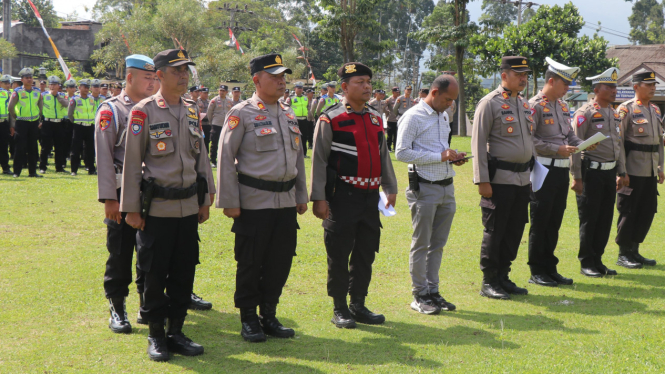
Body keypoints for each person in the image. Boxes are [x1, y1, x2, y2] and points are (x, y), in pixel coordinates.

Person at [121, 48, 212, 361]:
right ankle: (157, 335)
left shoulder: (190, 110)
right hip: (157, 209)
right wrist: (130, 208)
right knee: (156, 273)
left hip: (188, 206)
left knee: (184, 272)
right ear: (158, 75)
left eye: (186, 70)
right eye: (177, 71)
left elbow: (202, 158)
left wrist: (206, 197)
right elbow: (132, 164)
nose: (184, 76)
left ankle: (177, 331)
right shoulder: (144, 112)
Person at [216, 53, 308, 342]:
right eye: (275, 77)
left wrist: (302, 195)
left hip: (285, 204)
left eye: (284, 77)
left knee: (280, 261)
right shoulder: (241, 113)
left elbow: (299, 160)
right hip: (254, 203)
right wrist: (229, 201)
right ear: (256, 80)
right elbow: (225, 158)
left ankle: (268, 314)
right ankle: (248, 318)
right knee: (250, 262)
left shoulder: (288, 113)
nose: (282, 82)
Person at [310, 62, 397, 328]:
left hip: (370, 197)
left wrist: (390, 187)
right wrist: (319, 198)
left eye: (368, 82)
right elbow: (319, 160)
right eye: (360, 82)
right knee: (338, 253)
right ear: (345, 88)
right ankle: (339, 307)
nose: (367, 87)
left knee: (365, 252)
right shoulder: (331, 118)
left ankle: (358, 303)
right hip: (343, 195)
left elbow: (383, 155)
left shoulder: (373, 118)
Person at [396, 75, 467, 315]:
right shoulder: (412, 116)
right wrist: (440, 157)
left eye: (453, 100)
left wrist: (453, 157)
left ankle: (433, 292)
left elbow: (439, 149)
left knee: (437, 244)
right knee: (421, 243)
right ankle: (419, 294)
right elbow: (402, 152)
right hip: (424, 187)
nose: (450, 104)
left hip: (447, 186)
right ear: (434, 93)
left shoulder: (443, 115)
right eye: (448, 99)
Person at [95, 55, 156, 333]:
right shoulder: (112, 110)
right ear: (130, 78)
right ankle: (117, 307)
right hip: (121, 191)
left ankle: (148, 304)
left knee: (150, 250)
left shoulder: (153, 108)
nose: (152, 82)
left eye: (154, 77)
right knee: (120, 251)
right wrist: (109, 197)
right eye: (147, 77)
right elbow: (104, 156)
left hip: (151, 191)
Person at [471, 56, 537, 300]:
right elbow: (478, 143)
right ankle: (489, 281)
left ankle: (503, 276)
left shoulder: (524, 104)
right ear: (503, 76)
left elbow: (529, 142)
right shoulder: (489, 103)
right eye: (519, 74)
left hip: (522, 179)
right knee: (495, 230)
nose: (523, 79)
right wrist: (482, 180)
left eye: (526, 75)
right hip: (498, 181)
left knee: (515, 230)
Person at [527, 58, 590, 287]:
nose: (568, 88)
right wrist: (558, 149)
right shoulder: (534, 105)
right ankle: (536, 270)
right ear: (551, 81)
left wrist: (582, 143)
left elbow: (568, 136)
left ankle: (550, 267)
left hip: (561, 170)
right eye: (565, 84)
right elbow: (531, 140)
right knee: (541, 220)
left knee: (555, 220)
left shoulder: (563, 106)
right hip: (542, 169)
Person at [571, 67, 625, 277]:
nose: (614, 90)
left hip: (610, 174)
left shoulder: (614, 113)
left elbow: (618, 145)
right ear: (597, 89)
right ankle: (586, 262)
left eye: (615, 86)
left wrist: (622, 171)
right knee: (589, 218)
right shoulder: (585, 113)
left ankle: (598, 260)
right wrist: (576, 176)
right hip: (591, 173)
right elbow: (576, 147)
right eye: (609, 87)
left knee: (605, 218)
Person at [614, 71, 664, 268]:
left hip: (650, 170)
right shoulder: (625, 109)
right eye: (648, 84)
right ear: (636, 86)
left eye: (654, 84)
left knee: (647, 210)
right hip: (631, 171)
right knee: (629, 210)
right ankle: (623, 253)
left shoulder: (655, 110)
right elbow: (618, 143)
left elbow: (659, 142)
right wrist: (621, 171)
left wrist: (660, 167)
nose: (653, 88)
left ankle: (634, 251)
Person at [8, 68, 43, 178]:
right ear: (22, 79)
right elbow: (10, 107)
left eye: (30, 78)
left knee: (33, 147)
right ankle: (16, 172)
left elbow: (40, 107)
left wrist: (39, 119)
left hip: (33, 123)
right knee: (20, 147)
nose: (29, 80)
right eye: (26, 78)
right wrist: (17, 117)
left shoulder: (37, 92)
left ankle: (32, 172)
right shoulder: (17, 92)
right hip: (21, 122)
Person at [39, 76, 69, 174]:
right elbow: (39, 108)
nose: (52, 86)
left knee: (59, 146)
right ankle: (42, 166)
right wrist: (39, 121)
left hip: (59, 123)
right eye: (51, 84)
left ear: (58, 85)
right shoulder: (43, 95)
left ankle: (59, 167)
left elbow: (66, 104)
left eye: (54, 84)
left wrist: (57, 96)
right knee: (46, 146)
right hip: (47, 122)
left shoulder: (62, 95)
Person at [67, 79, 97, 176]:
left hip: (90, 127)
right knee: (76, 149)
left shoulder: (91, 99)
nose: (86, 89)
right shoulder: (74, 99)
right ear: (79, 88)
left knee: (90, 149)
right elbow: (70, 114)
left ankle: (91, 169)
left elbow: (95, 112)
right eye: (84, 87)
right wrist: (76, 122)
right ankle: (74, 169)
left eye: (88, 87)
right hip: (79, 126)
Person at [207, 84, 233, 167]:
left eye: (223, 91)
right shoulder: (214, 100)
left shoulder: (229, 101)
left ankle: (224, 161)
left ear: (227, 92)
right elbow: (209, 112)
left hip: (226, 125)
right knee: (214, 143)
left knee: (226, 143)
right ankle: (213, 161)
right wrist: (212, 122)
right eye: (220, 90)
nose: (221, 92)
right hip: (216, 124)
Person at [290, 82, 310, 157]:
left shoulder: (305, 98)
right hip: (295, 120)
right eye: (298, 88)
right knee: (295, 137)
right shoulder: (291, 98)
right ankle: (295, 153)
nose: (300, 89)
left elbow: (307, 107)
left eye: (301, 88)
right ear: (295, 89)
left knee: (304, 137)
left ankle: (304, 153)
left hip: (304, 120)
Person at [0, 75, 12, 174]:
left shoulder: (8, 94)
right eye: (5, 83)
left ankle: (5, 168)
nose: (8, 85)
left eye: (9, 83)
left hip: (3, 123)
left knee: (4, 146)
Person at [385, 87, 400, 151]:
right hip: (391, 119)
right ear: (393, 92)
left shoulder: (400, 99)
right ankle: (388, 147)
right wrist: (388, 113)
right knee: (390, 135)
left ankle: (395, 147)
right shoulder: (389, 100)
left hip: (398, 119)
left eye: (399, 92)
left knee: (397, 134)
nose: (398, 93)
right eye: (397, 92)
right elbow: (385, 108)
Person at [198, 86, 211, 154]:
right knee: (200, 140)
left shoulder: (209, 102)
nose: (206, 94)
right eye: (204, 93)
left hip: (208, 124)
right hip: (200, 124)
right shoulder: (197, 101)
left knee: (207, 140)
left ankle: (206, 154)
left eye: (207, 93)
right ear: (200, 93)